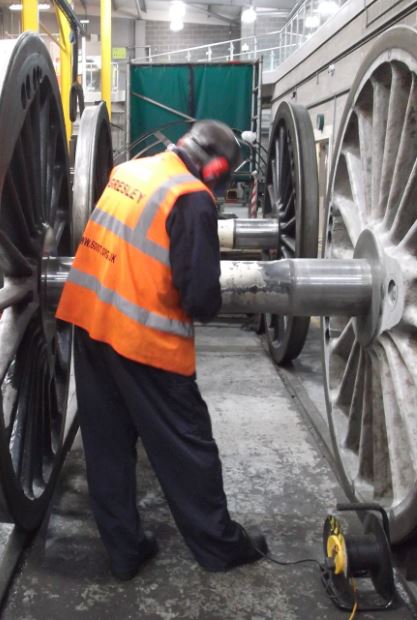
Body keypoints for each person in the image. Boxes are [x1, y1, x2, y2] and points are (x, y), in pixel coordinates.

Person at [56, 120, 268, 580]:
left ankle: (125, 551)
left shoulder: (133, 170)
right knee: (189, 448)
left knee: (108, 447)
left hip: (90, 322)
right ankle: (219, 546)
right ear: (214, 168)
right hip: (144, 341)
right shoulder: (190, 198)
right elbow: (199, 299)